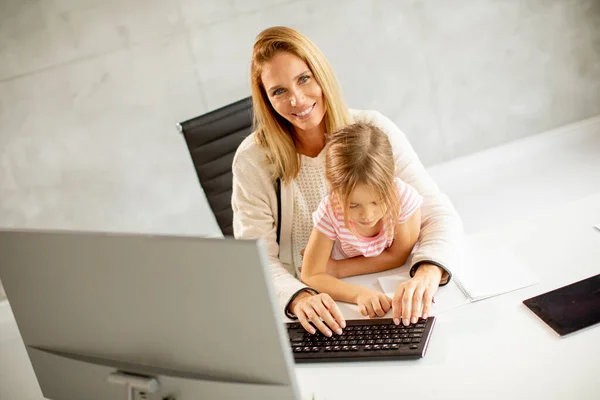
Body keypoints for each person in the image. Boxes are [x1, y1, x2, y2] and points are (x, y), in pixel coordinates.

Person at [232, 26, 462, 336]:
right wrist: (298, 297)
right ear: (266, 99)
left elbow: (439, 213)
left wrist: (428, 272)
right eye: (279, 91)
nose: (297, 100)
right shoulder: (252, 160)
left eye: (304, 79)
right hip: (310, 301)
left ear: (321, 74)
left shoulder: (372, 130)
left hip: (386, 290)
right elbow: (256, 259)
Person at [300, 121, 423, 328]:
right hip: (355, 288)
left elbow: (398, 256)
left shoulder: (402, 198)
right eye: (353, 205)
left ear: (390, 182)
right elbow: (310, 274)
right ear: (334, 191)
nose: (367, 215)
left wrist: (338, 269)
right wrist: (359, 294)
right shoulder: (330, 211)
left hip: (391, 280)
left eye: (377, 201)